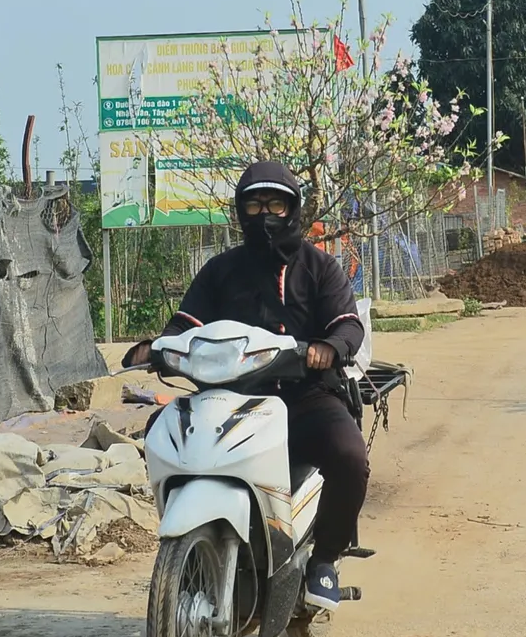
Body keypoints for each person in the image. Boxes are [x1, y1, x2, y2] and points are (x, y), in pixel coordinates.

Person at [123, 160, 368, 611]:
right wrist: (158, 345)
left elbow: (348, 324)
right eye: (254, 205)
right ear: (240, 211)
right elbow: (187, 322)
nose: (265, 215)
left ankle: (325, 561)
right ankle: (194, 547)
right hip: (229, 399)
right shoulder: (220, 270)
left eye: (275, 204)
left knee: (350, 456)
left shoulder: (320, 267)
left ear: (293, 208)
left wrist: (330, 347)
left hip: (305, 396)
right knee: (162, 431)